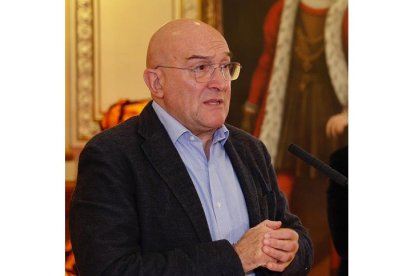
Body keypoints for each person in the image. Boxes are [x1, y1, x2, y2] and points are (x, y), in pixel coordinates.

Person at [69, 19, 313, 275]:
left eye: (224, 67)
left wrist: (291, 251)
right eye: (201, 67)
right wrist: (235, 258)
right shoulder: (111, 156)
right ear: (157, 83)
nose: (220, 82)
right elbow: (110, 269)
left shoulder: (250, 149)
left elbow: (296, 237)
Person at [240, 0, 348, 201]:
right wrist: (252, 106)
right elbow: (267, 62)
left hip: (327, 108)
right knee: (281, 172)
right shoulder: (282, 10)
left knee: (326, 180)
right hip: (288, 108)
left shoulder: (347, 13)